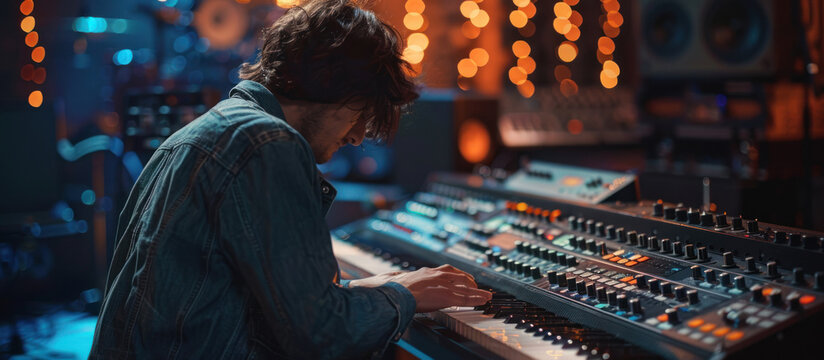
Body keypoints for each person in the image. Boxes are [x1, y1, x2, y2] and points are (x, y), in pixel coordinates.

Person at [89, 0, 492, 358]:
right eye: (359, 113)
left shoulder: (216, 128)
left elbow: (250, 304)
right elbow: (323, 336)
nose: (355, 137)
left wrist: (369, 290)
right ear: (331, 85)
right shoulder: (266, 142)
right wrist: (403, 296)